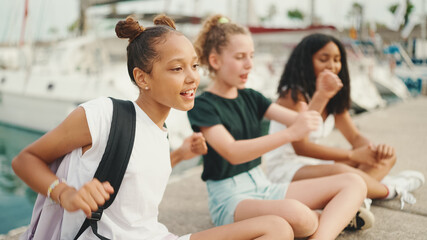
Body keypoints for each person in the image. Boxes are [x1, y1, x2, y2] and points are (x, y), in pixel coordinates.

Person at [12, 15, 294, 240]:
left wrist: (180, 155)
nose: (192, 78)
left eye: (194, 66)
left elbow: (134, 180)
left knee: (277, 227)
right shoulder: (103, 114)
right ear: (142, 78)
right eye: (177, 69)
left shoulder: (163, 132)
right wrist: (67, 194)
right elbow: (25, 160)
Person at [187, 14, 371, 240]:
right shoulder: (203, 104)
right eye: (240, 57)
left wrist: (322, 95)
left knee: (354, 182)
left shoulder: (252, 97)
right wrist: (290, 133)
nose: (249, 64)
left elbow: (305, 123)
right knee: (301, 218)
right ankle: (331, 218)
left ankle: (322, 231)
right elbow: (233, 153)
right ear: (215, 61)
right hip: (232, 199)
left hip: (265, 186)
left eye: (252, 56)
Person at [264, 33, 425, 209]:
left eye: (337, 59)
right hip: (286, 167)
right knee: (343, 172)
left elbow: (355, 137)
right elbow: (301, 147)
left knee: (386, 158)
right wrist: (352, 155)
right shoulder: (292, 95)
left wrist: (374, 150)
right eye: (323, 59)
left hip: (314, 165)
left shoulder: (334, 97)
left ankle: (355, 196)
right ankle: (391, 189)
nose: (332, 66)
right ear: (306, 62)